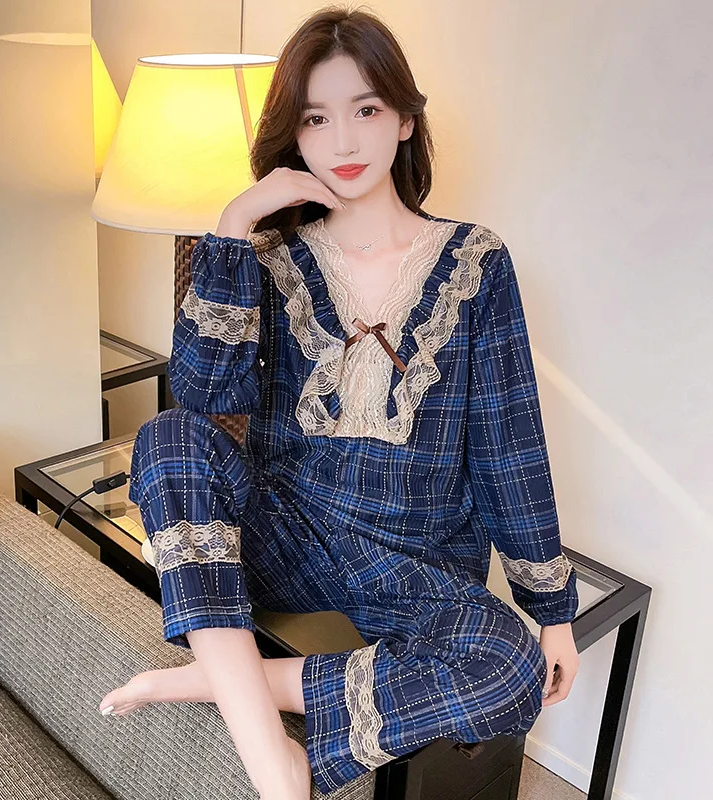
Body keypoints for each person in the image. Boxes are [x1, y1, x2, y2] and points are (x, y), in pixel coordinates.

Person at [97, 5, 581, 799]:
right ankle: (279, 769)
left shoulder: (477, 262)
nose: (345, 142)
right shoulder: (271, 258)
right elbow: (207, 393)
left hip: (415, 567)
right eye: (317, 119)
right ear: (294, 135)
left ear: (404, 120)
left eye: (366, 110)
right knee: (170, 435)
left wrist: (550, 608)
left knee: (509, 667)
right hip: (286, 539)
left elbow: (508, 444)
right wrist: (234, 224)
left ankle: (216, 680)